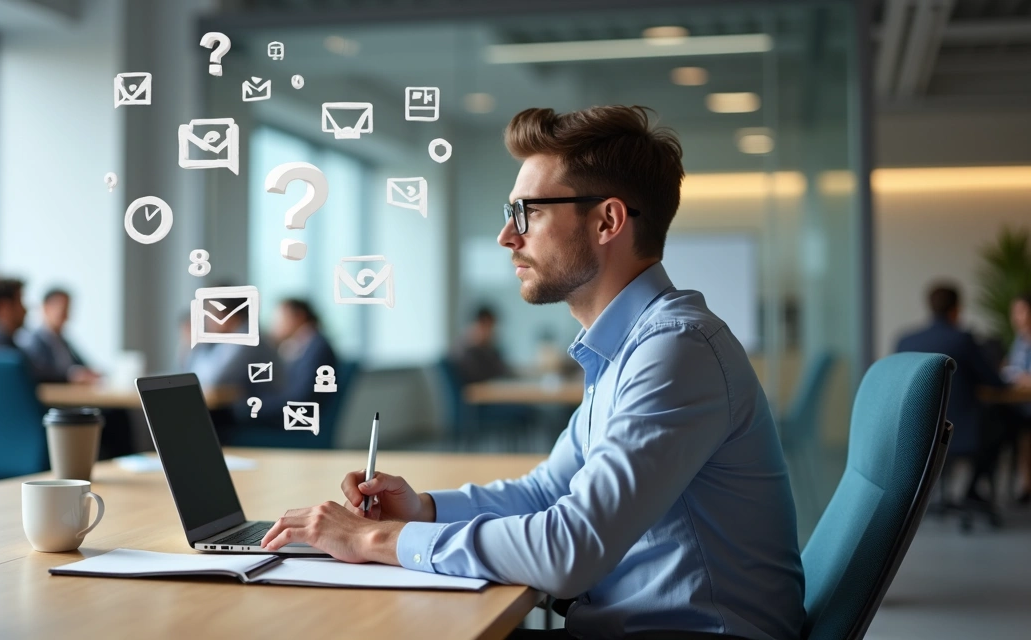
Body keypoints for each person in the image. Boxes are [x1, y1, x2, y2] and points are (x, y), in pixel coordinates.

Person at [259, 106, 805, 640]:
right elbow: (549, 490)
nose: (506, 236)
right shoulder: (628, 347)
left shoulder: (675, 351)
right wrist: (421, 509)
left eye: (528, 212)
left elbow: (569, 552)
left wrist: (376, 537)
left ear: (608, 221)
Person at [895, 283, 1008, 504]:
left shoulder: (905, 341)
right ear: (956, 309)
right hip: (959, 432)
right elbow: (995, 383)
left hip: (917, 431)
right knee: (1003, 427)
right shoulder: (962, 339)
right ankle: (972, 491)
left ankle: (940, 494)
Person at [0, 275, 61, 383]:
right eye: (20, 302)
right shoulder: (1, 346)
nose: (25, 310)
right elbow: (37, 373)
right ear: (3, 308)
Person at [18, 288, 99, 384]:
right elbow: (40, 372)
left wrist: (91, 373)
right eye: (62, 310)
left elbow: (83, 365)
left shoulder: (63, 342)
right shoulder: (32, 342)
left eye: (67, 310)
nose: (66, 316)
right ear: (45, 308)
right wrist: (70, 376)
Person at [1003, 292, 1031, 504]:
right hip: (1020, 403)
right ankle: (1026, 485)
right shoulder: (1020, 341)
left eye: (1021, 311)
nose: (1016, 317)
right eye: (1015, 312)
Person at [451, 305, 511, 383]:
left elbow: (503, 370)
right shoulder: (465, 354)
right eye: (489, 327)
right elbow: (490, 375)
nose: (491, 332)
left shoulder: (485, 350)